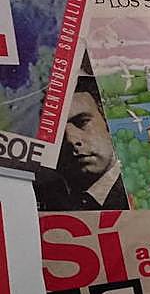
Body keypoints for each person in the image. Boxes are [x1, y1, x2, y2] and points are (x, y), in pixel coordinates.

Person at [35, 74, 129, 211]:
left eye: (82, 122)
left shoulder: (141, 191)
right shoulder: (47, 198)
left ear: (108, 121)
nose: (72, 140)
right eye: (55, 131)